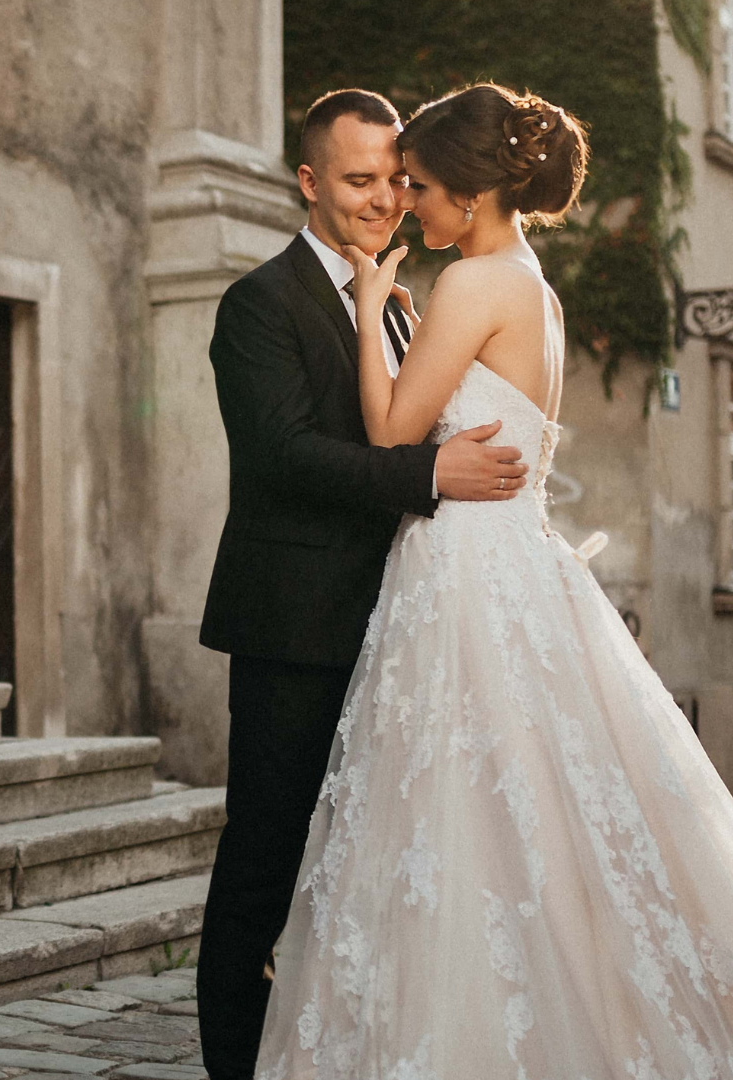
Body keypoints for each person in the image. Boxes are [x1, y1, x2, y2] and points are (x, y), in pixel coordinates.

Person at [254, 83, 733, 1080]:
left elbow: (388, 434)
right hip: (515, 562)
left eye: (418, 185)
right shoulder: (533, 286)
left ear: (466, 195)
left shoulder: (466, 287)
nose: (406, 203)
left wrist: (374, 306)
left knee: (467, 810)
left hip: (466, 573)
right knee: (535, 809)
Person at [195, 88, 531, 1080]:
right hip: (294, 632)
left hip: (400, 634)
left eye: (395, 178)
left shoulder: (403, 301)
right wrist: (429, 474)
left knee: (368, 869)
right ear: (309, 181)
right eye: (357, 180)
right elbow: (281, 455)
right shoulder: (258, 302)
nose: (384, 199)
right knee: (263, 864)